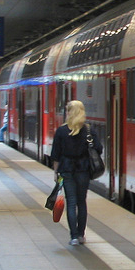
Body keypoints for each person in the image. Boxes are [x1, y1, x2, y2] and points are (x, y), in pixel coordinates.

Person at [50, 100, 102, 246]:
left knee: (71, 202)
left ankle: (73, 236)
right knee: (82, 202)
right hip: (83, 170)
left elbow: (56, 154)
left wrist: (56, 172)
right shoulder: (89, 130)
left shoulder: (61, 131)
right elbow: (98, 148)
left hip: (66, 169)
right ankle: (81, 235)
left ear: (69, 113)